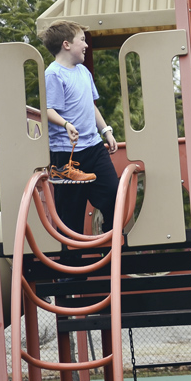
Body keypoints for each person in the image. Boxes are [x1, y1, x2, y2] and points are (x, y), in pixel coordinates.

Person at [37, 20, 120, 236]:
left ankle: (109, 241)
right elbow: (48, 110)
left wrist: (106, 131)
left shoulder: (83, 72)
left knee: (113, 194)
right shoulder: (53, 74)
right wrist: (66, 124)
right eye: (82, 40)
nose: (86, 45)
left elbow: (90, 106)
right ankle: (72, 264)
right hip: (67, 153)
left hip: (93, 147)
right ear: (66, 44)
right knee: (71, 214)